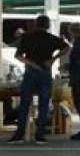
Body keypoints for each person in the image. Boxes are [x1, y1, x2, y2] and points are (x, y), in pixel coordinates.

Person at [10, 15, 70, 143]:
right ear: (48, 25)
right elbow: (67, 47)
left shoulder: (26, 37)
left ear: (36, 24)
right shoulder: (51, 38)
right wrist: (53, 59)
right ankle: (40, 135)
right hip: (45, 72)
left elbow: (18, 56)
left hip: (30, 73)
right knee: (44, 104)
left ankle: (19, 135)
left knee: (25, 103)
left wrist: (32, 64)